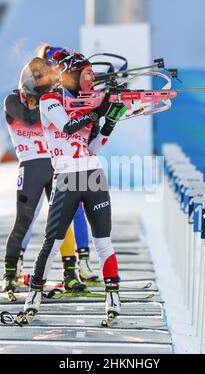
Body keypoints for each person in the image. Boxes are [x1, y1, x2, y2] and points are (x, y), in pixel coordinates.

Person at [17, 52, 126, 322]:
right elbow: (66, 127)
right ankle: (33, 297)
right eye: (86, 73)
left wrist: (109, 122)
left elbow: (93, 147)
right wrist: (96, 111)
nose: (92, 78)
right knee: (51, 242)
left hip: (92, 175)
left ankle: (113, 298)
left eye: (92, 73)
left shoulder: (86, 103)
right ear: (73, 75)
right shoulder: (50, 100)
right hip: (67, 177)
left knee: (103, 241)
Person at [3, 57, 95, 297]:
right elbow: (31, 118)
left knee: (61, 223)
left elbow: (74, 117)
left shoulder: (53, 100)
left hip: (54, 165)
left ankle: (70, 274)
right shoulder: (13, 101)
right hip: (31, 167)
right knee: (23, 221)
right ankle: (10, 274)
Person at [38, 44, 99, 282]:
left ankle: (79, 265)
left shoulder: (67, 86)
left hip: (65, 158)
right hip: (43, 158)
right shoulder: (43, 88)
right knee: (44, 220)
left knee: (77, 211)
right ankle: (25, 271)